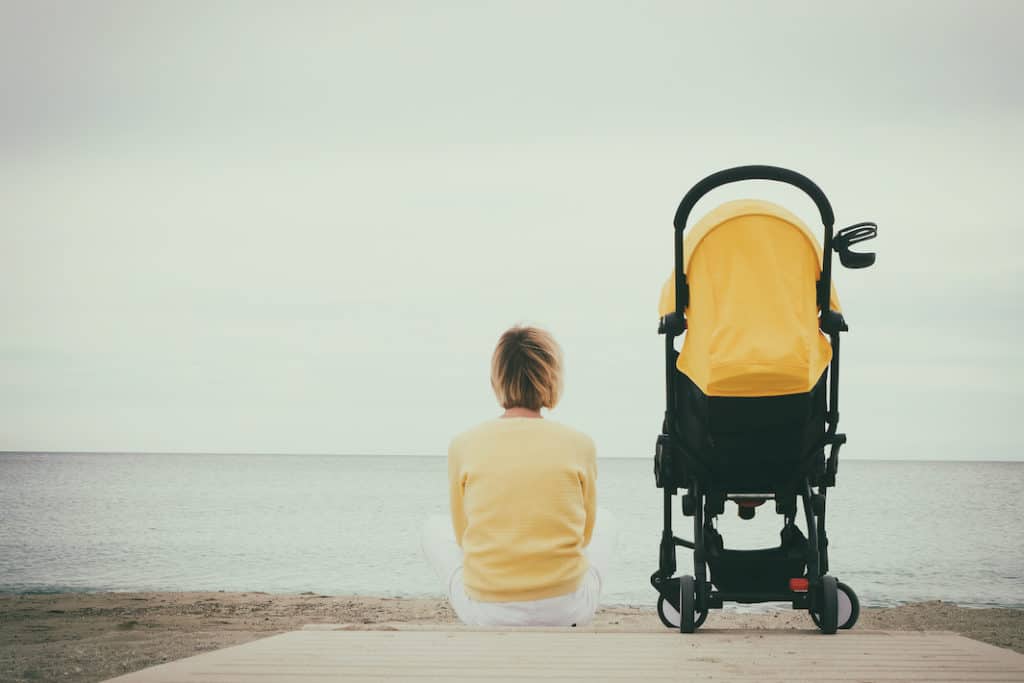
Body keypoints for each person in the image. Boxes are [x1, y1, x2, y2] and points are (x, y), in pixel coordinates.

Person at [421, 325, 615, 626]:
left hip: (487, 613)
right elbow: (585, 536)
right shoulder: (581, 444)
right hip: (567, 610)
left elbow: (463, 537)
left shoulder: (463, 444)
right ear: (552, 378)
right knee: (607, 520)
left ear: (495, 380)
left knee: (433, 529)